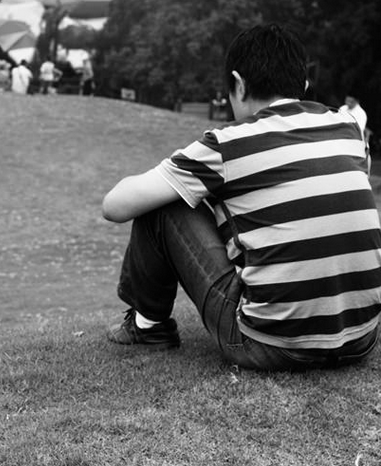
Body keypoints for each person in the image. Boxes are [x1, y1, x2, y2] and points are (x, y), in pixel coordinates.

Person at [102, 24, 381, 371]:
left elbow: (115, 206)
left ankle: (148, 327)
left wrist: (177, 176)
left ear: (239, 84)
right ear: (304, 84)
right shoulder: (348, 129)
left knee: (163, 202)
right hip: (361, 338)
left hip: (269, 344)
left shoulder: (229, 143)